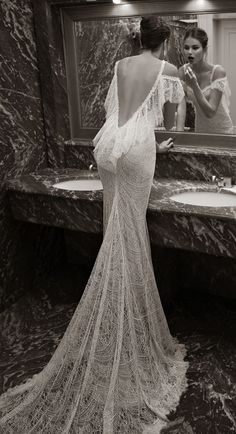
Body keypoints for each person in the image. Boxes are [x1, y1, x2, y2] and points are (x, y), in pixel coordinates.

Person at [0, 16, 188, 433]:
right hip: (138, 150)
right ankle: (125, 329)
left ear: (139, 37)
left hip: (109, 148)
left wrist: (135, 135)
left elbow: (115, 110)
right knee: (131, 232)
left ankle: (119, 320)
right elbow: (168, 119)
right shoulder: (169, 69)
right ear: (167, 39)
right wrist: (159, 141)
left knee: (115, 230)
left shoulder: (121, 64)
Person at [176, 26, 233, 134]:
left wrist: (194, 85)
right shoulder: (182, 71)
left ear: (205, 49)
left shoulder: (217, 72)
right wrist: (179, 135)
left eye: (195, 47)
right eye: (186, 47)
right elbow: (181, 106)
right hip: (201, 130)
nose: (189, 52)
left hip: (222, 130)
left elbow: (210, 112)